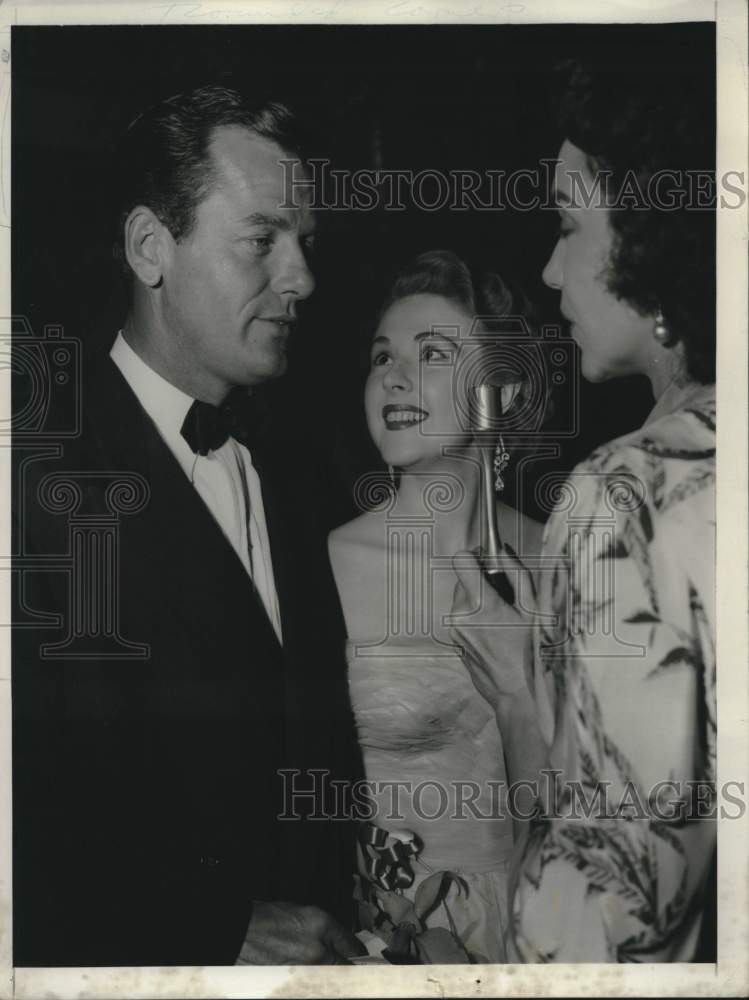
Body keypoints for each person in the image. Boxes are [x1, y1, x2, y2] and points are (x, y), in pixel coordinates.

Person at [12, 85, 364, 966]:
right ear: (148, 247)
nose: (302, 278)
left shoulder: (303, 478)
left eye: (306, 243)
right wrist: (207, 929)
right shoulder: (35, 479)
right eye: (261, 241)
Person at [450, 57, 716, 961]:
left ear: (652, 239)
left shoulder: (620, 495)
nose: (550, 265)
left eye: (569, 226)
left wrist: (530, 709)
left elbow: (601, 922)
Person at [328, 250, 544, 962]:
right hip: (386, 948)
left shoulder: (567, 560)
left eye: (432, 353)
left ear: (502, 390)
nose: (394, 375)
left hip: (552, 929)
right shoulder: (323, 566)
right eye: (380, 355)